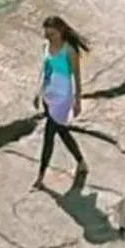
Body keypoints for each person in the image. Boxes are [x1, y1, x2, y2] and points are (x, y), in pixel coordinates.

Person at [35, 15, 87, 186]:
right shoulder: (46, 46)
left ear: (61, 31)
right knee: (62, 131)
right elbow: (45, 70)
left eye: (52, 34)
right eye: (47, 34)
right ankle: (81, 162)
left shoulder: (69, 51)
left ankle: (40, 177)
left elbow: (77, 77)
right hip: (48, 96)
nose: (49, 38)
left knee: (49, 135)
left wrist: (77, 101)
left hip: (63, 98)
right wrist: (38, 92)